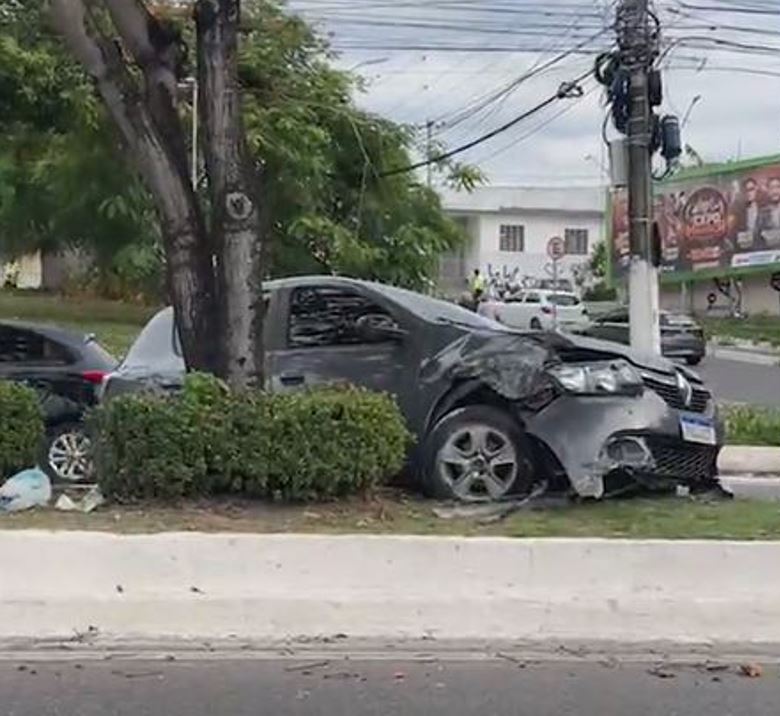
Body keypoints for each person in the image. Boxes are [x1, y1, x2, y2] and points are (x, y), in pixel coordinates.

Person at [732, 177, 762, 249]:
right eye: (746, 191)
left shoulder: (764, 209)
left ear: (756, 189)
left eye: (751, 189)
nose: (748, 193)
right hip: (745, 250)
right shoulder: (739, 212)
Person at [759, 177, 780, 247]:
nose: (775, 191)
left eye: (778, 187)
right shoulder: (762, 213)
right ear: (768, 191)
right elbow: (758, 237)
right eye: (772, 188)